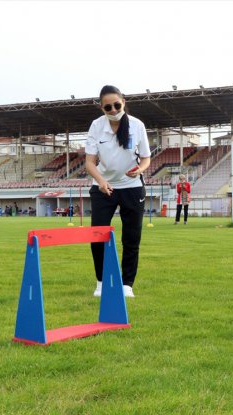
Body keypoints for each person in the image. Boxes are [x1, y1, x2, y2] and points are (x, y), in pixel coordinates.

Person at [85, 85, 151, 298]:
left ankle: (127, 285)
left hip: (131, 187)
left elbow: (146, 157)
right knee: (97, 236)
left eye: (116, 105)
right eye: (107, 107)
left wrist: (140, 169)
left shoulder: (137, 125)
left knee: (131, 238)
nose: (113, 110)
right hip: (104, 188)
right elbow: (89, 162)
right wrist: (101, 182)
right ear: (101, 107)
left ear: (123, 102)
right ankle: (101, 283)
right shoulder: (96, 126)